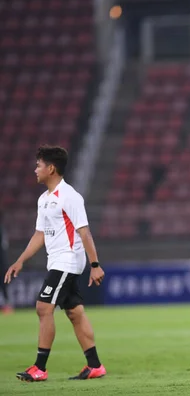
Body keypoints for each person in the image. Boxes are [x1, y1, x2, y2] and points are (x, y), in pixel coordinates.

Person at [4, 145, 107, 382]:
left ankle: (39, 367)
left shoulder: (70, 196)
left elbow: (85, 232)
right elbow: (40, 234)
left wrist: (95, 265)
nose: (35, 169)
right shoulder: (44, 199)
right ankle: (95, 366)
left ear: (51, 168)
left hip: (68, 260)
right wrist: (20, 260)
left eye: (38, 165)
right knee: (74, 312)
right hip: (58, 262)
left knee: (43, 307)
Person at [0, 210, 14, 314]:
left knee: (3, 284)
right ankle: (7, 304)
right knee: (4, 285)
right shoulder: (2, 228)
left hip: (2, 262)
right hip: (3, 262)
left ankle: (7, 305)